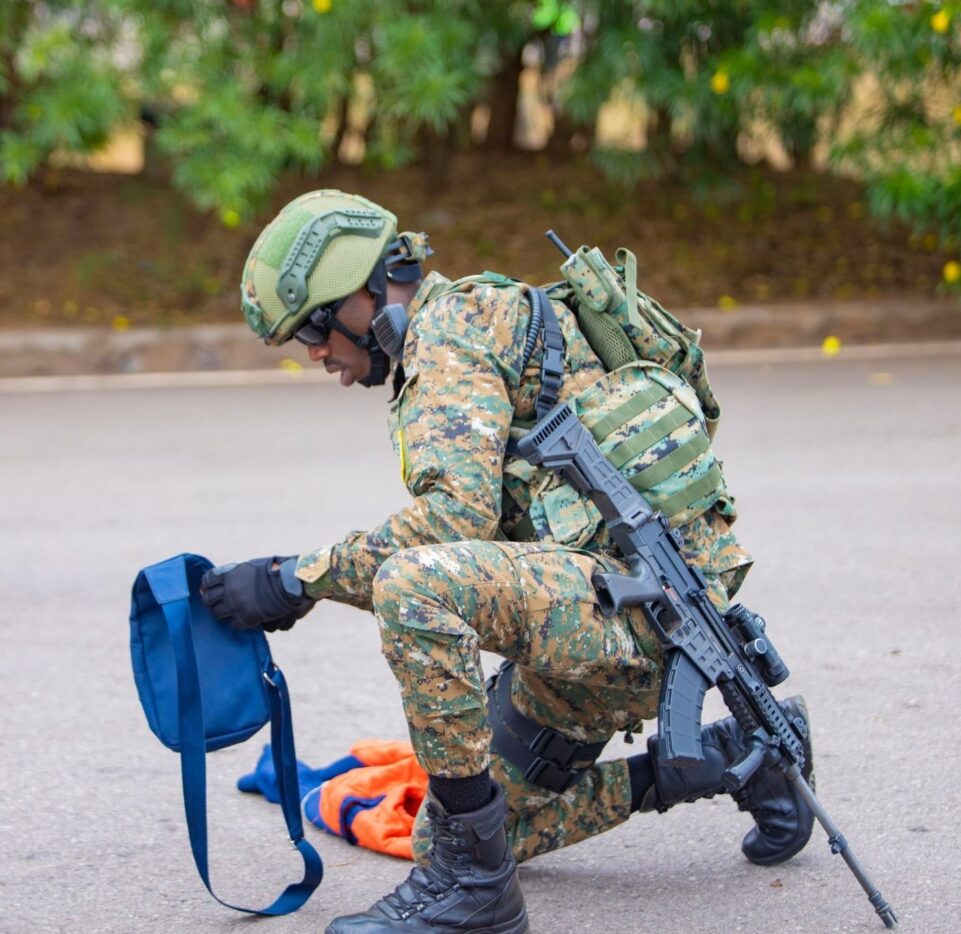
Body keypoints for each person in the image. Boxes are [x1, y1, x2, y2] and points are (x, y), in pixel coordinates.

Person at [200, 189, 816, 934]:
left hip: (633, 611)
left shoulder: (447, 336)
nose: (318, 358)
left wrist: (292, 579)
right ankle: (731, 757)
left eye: (315, 334)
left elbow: (450, 526)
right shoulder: (485, 309)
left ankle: (475, 891)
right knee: (457, 826)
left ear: (359, 298)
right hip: (625, 599)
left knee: (415, 586)